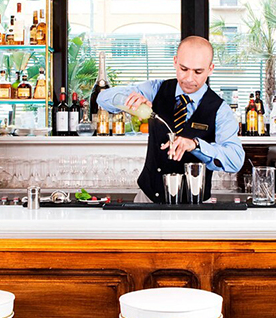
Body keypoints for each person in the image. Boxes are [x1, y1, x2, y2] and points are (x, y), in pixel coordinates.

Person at [96, 36, 245, 203]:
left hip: (195, 206)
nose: (189, 78)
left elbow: (236, 160)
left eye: (198, 72)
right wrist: (129, 101)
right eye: (183, 69)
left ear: (210, 69)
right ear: (175, 62)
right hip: (148, 198)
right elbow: (103, 98)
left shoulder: (220, 110)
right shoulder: (156, 89)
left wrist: (196, 145)